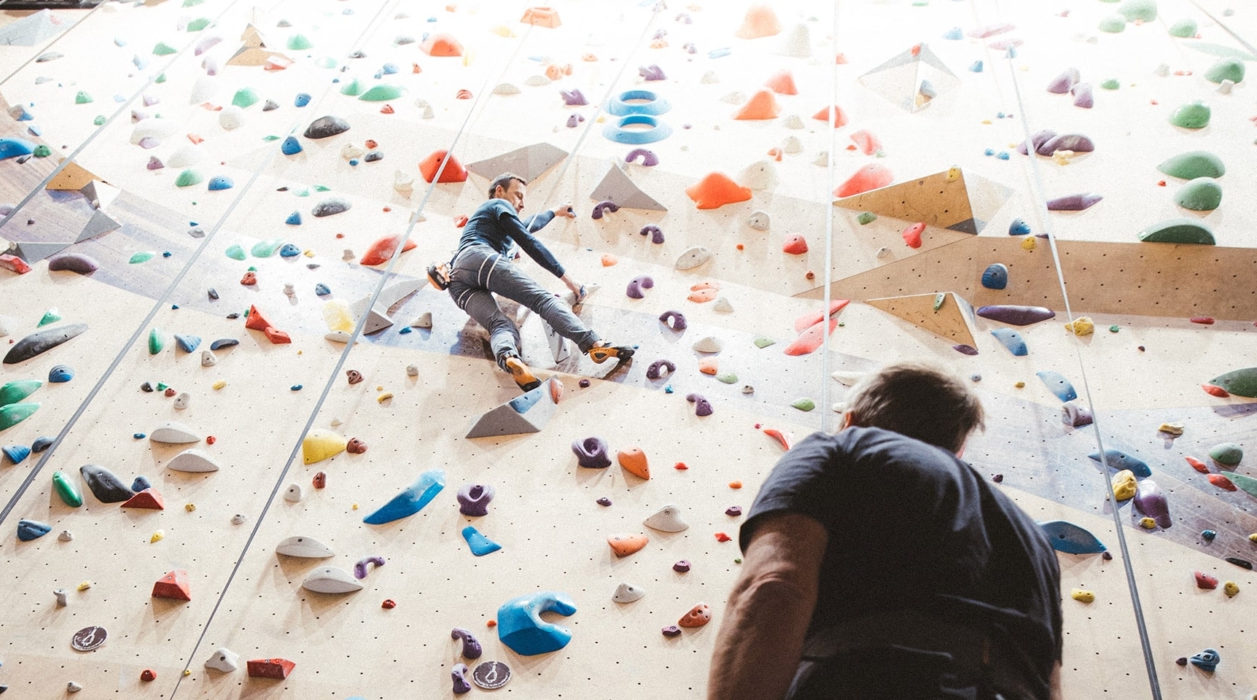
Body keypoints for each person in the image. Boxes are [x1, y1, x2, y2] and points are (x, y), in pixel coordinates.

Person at [709, 362, 1063, 700]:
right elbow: (1051, 680)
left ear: (851, 420)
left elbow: (775, 586)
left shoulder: (844, 449)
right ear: (958, 448)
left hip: (875, 682)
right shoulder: (1032, 537)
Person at [428, 173, 634, 391]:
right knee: (543, 301)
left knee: (499, 325)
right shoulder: (497, 204)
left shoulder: (492, 223)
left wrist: (555, 211)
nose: (522, 204)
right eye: (518, 195)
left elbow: (529, 225)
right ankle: (594, 345)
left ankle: (509, 357)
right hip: (480, 258)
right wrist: (568, 280)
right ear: (499, 191)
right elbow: (528, 240)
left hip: (459, 283)